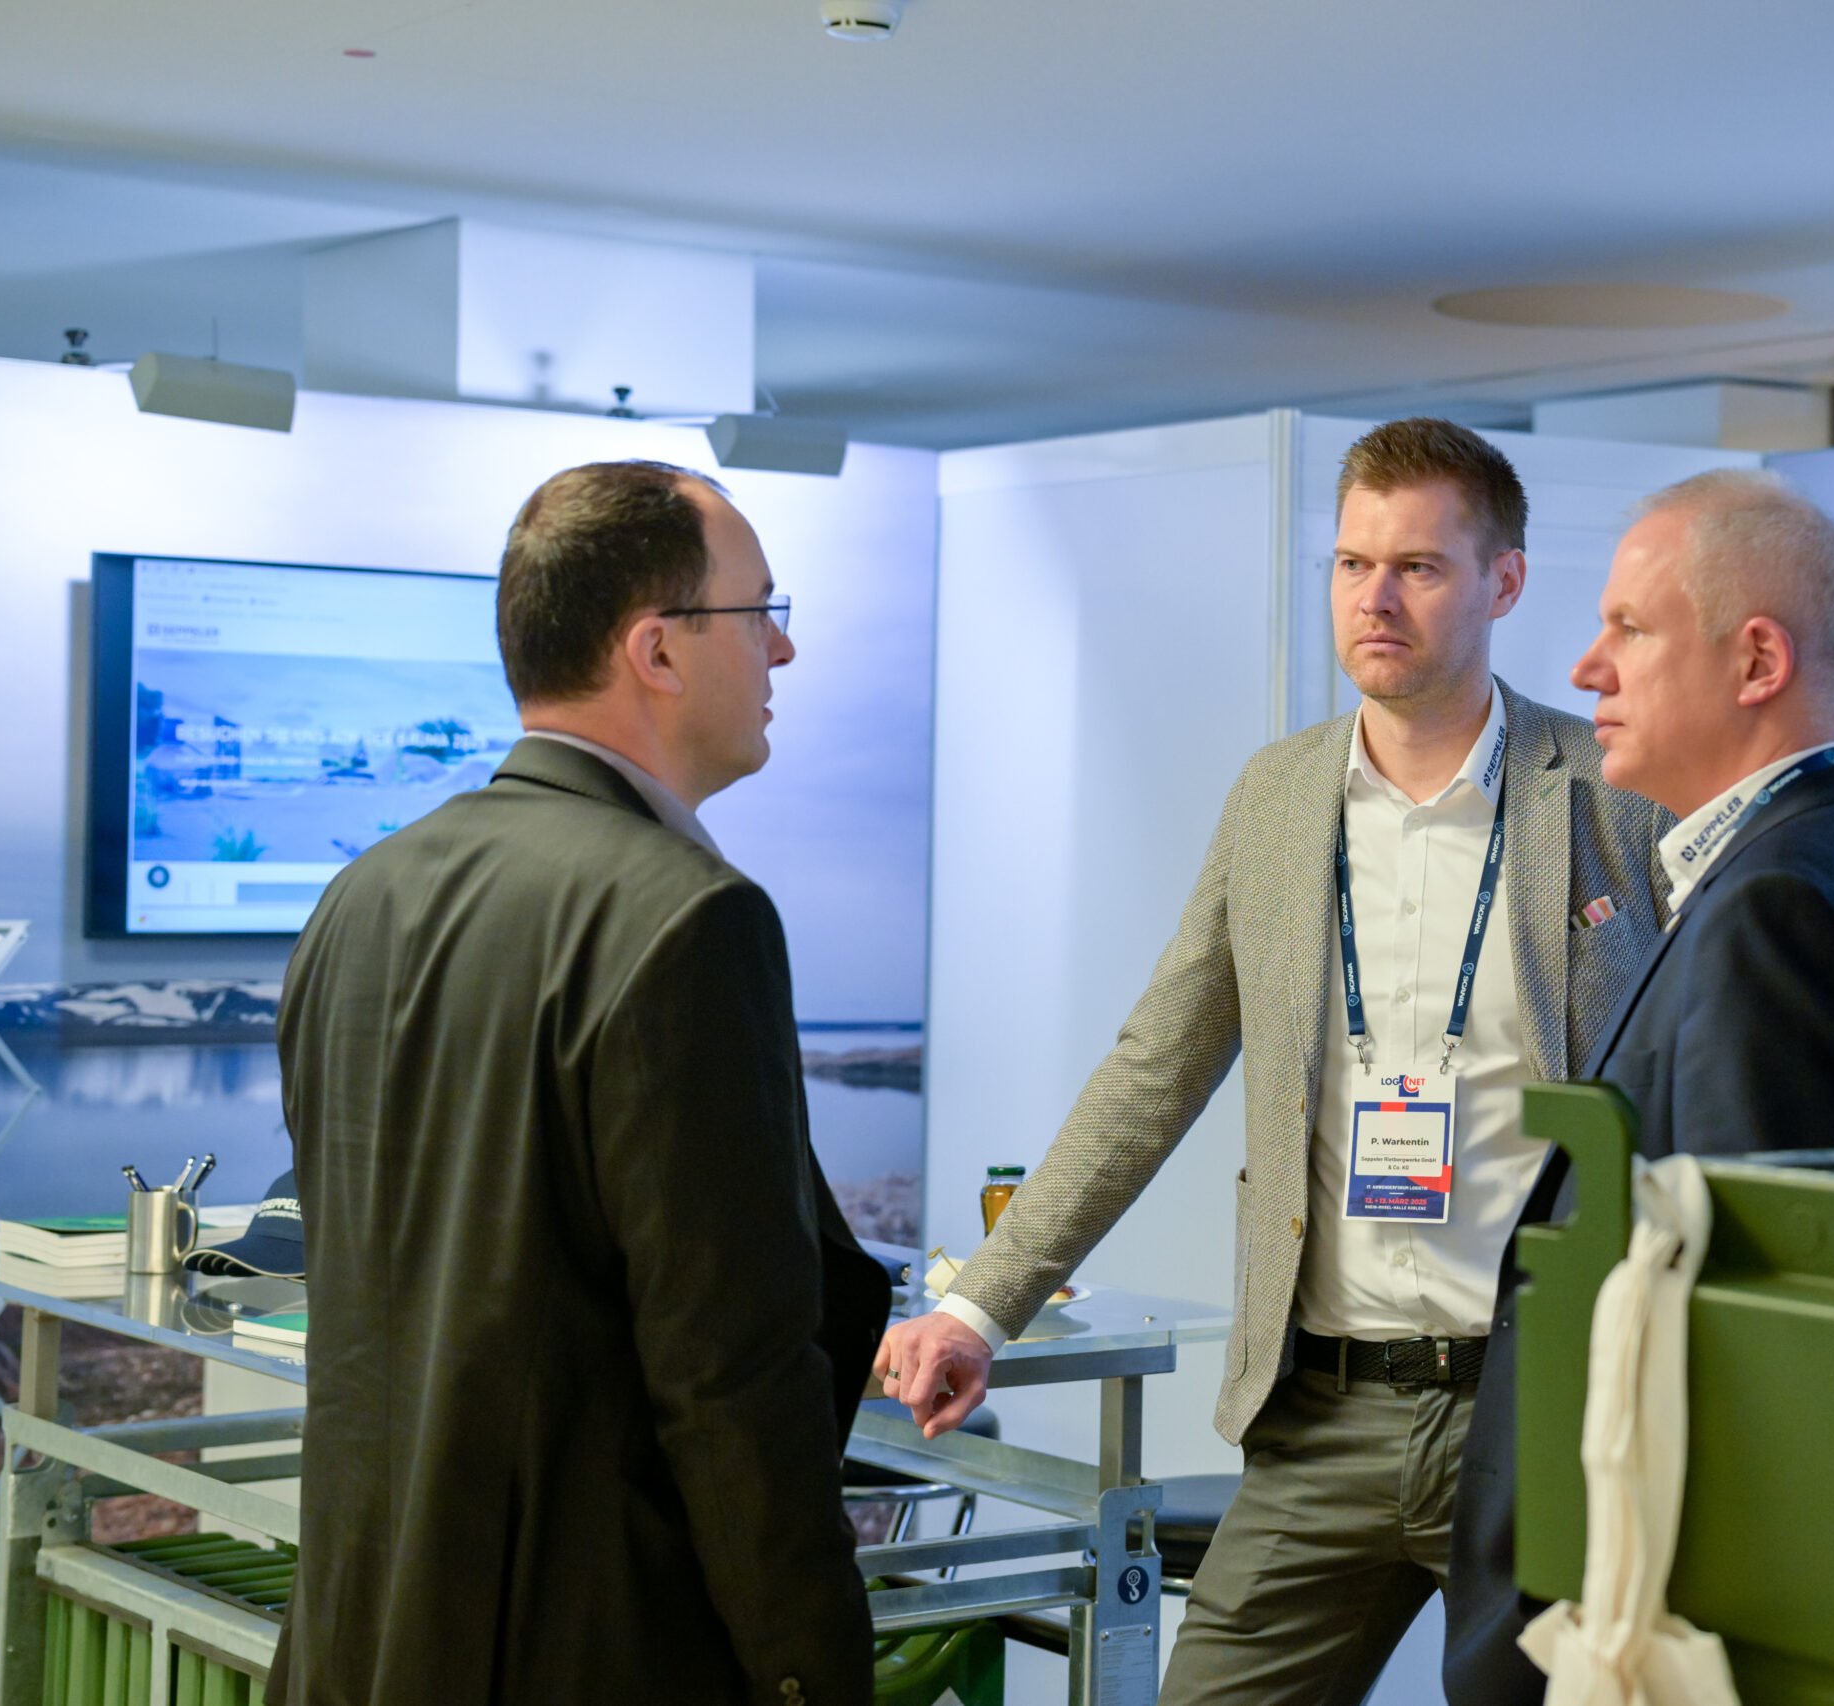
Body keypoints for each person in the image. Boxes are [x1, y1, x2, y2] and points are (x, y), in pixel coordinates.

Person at [875, 418, 1671, 1704]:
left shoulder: (1609, 793)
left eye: (1418, 565)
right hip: (1326, 1410)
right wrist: (983, 1303)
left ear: (1504, 582)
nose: (1376, 597)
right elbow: (1157, 1063)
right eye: (1353, 563)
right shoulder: (1278, 797)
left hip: (1546, 1407)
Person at [269, 460, 890, 1706]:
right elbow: (729, 1374)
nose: (782, 647)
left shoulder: (363, 892)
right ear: (656, 650)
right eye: (757, 608)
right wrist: (811, 1668)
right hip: (592, 1644)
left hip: (361, 1634)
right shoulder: (687, 919)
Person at [1443, 468, 1834, 1705]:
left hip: (1665, 1625)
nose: (1587, 669)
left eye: (1629, 629)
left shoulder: (1777, 908)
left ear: (1756, 661)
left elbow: (1762, 1346)